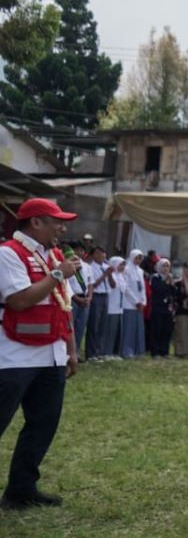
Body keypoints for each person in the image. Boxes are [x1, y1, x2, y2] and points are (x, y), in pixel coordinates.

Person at [0, 198, 82, 510]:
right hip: (13, 356)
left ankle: (21, 489)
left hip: (51, 354)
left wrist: (71, 350)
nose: (62, 228)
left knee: (43, 423)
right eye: (56, 221)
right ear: (35, 223)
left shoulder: (54, 256)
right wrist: (58, 275)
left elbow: (65, 307)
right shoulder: (9, 253)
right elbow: (20, 301)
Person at [84, 246, 111, 362]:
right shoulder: (91, 268)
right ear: (93, 255)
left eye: (103, 253)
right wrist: (104, 275)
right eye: (99, 253)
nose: (102, 255)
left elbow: (112, 285)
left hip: (105, 295)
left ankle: (98, 351)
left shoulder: (105, 267)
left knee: (102, 325)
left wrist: (109, 275)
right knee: (94, 325)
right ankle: (90, 353)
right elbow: (93, 285)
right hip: (96, 296)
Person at [119, 252, 147, 359]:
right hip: (129, 303)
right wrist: (136, 302)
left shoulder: (140, 271)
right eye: (136, 257)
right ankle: (127, 351)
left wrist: (143, 301)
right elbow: (126, 288)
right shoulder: (126, 269)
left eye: (140, 258)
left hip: (139, 305)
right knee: (128, 329)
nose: (138, 260)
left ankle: (137, 350)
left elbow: (142, 288)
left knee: (137, 328)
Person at [147, 258, 175, 358]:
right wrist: (166, 283)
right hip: (157, 307)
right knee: (156, 329)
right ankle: (155, 351)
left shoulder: (170, 278)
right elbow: (158, 289)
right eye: (163, 266)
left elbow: (173, 292)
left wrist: (171, 284)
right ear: (159, 267)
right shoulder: (155, 277)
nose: (166, 268)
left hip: (167, 308)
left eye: (167, 266)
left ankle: (164, 351)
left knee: (166, 329)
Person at [101, 257, 126, 358]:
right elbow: (113, 286)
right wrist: (110, 274)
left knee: (117, 331)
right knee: (110, 331)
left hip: (119, 307)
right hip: (111, 306)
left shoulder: (121, 276)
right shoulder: (111, 276)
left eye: (123, 265)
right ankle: (107, 352)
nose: (122, 267)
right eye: (120, 265)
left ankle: (115, 352)